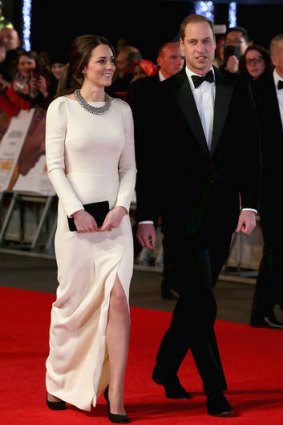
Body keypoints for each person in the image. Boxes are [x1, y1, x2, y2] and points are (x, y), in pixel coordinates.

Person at [135, 14, 260, 417]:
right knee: (203, 300)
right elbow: (150, 163)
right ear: (182, 47)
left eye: (208, 41)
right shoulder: (160, 95)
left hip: (223, 212)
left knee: (193, 299)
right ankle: (215, 390)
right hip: (180, 214)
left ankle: (165, 367)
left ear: (216, 45)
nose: (202, 48)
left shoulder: (238, 88)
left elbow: (249, 152)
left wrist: (250, 204)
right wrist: (147, 216)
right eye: (193, 42)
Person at [45, 34, 136, 423]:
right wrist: (77, 211)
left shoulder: (122, 110)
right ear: (83, 66)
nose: (110, 66)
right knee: (72, 306)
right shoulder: (61, 108)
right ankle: (58, 378)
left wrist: (121, 208)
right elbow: (55, 167)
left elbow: (129, 167)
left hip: (115, 226)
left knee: (118, 300)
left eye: (112, 60)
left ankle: (116, 392)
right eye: (102, 61)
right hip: (76, 225)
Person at [130, 41, 184, 300]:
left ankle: (172, 281)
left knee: (175, 229)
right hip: (148, 167)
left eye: (181, 58)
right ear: (159, 60)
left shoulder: (189, 87)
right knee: (144, 220)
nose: (179, 62)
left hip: (179, 170)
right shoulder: (141, 89)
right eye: (173, 57)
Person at [249, 34, 283, 330]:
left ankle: (264, 309)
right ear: (274, 59)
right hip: (270, 186)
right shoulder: (254, 91)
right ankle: (261, 310)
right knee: (275, 247)